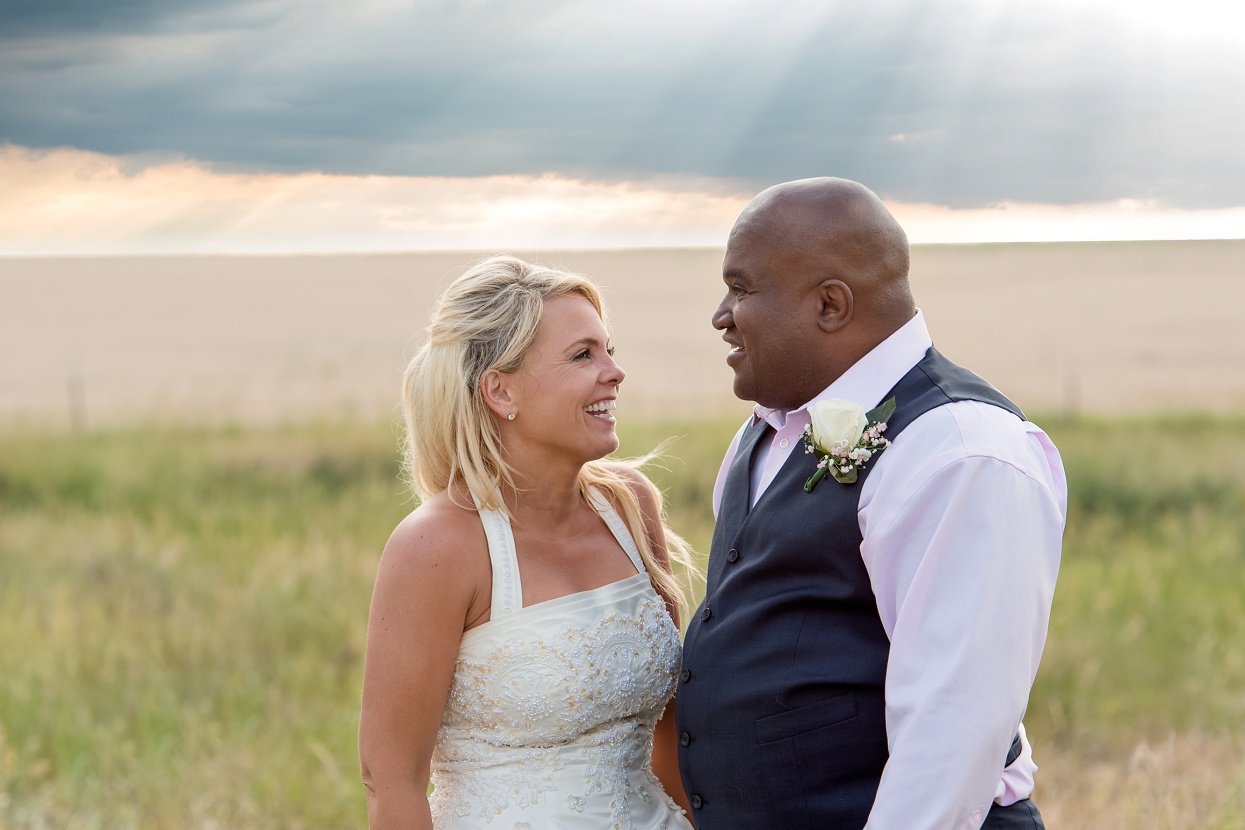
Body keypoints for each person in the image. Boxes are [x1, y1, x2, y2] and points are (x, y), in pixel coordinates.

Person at [675, 178, 1066, 829]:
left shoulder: (961, 449)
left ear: (830, 305)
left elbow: (952, 727)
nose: (721, 315)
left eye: (741, 289)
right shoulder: (762, 433)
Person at [358, 255, 695, 830]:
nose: (614, 372)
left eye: (609, 349)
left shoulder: (629, 506)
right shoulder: (437, 546)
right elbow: (391, 778)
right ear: (500, 391)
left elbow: (671, 735)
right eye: (583, 354)